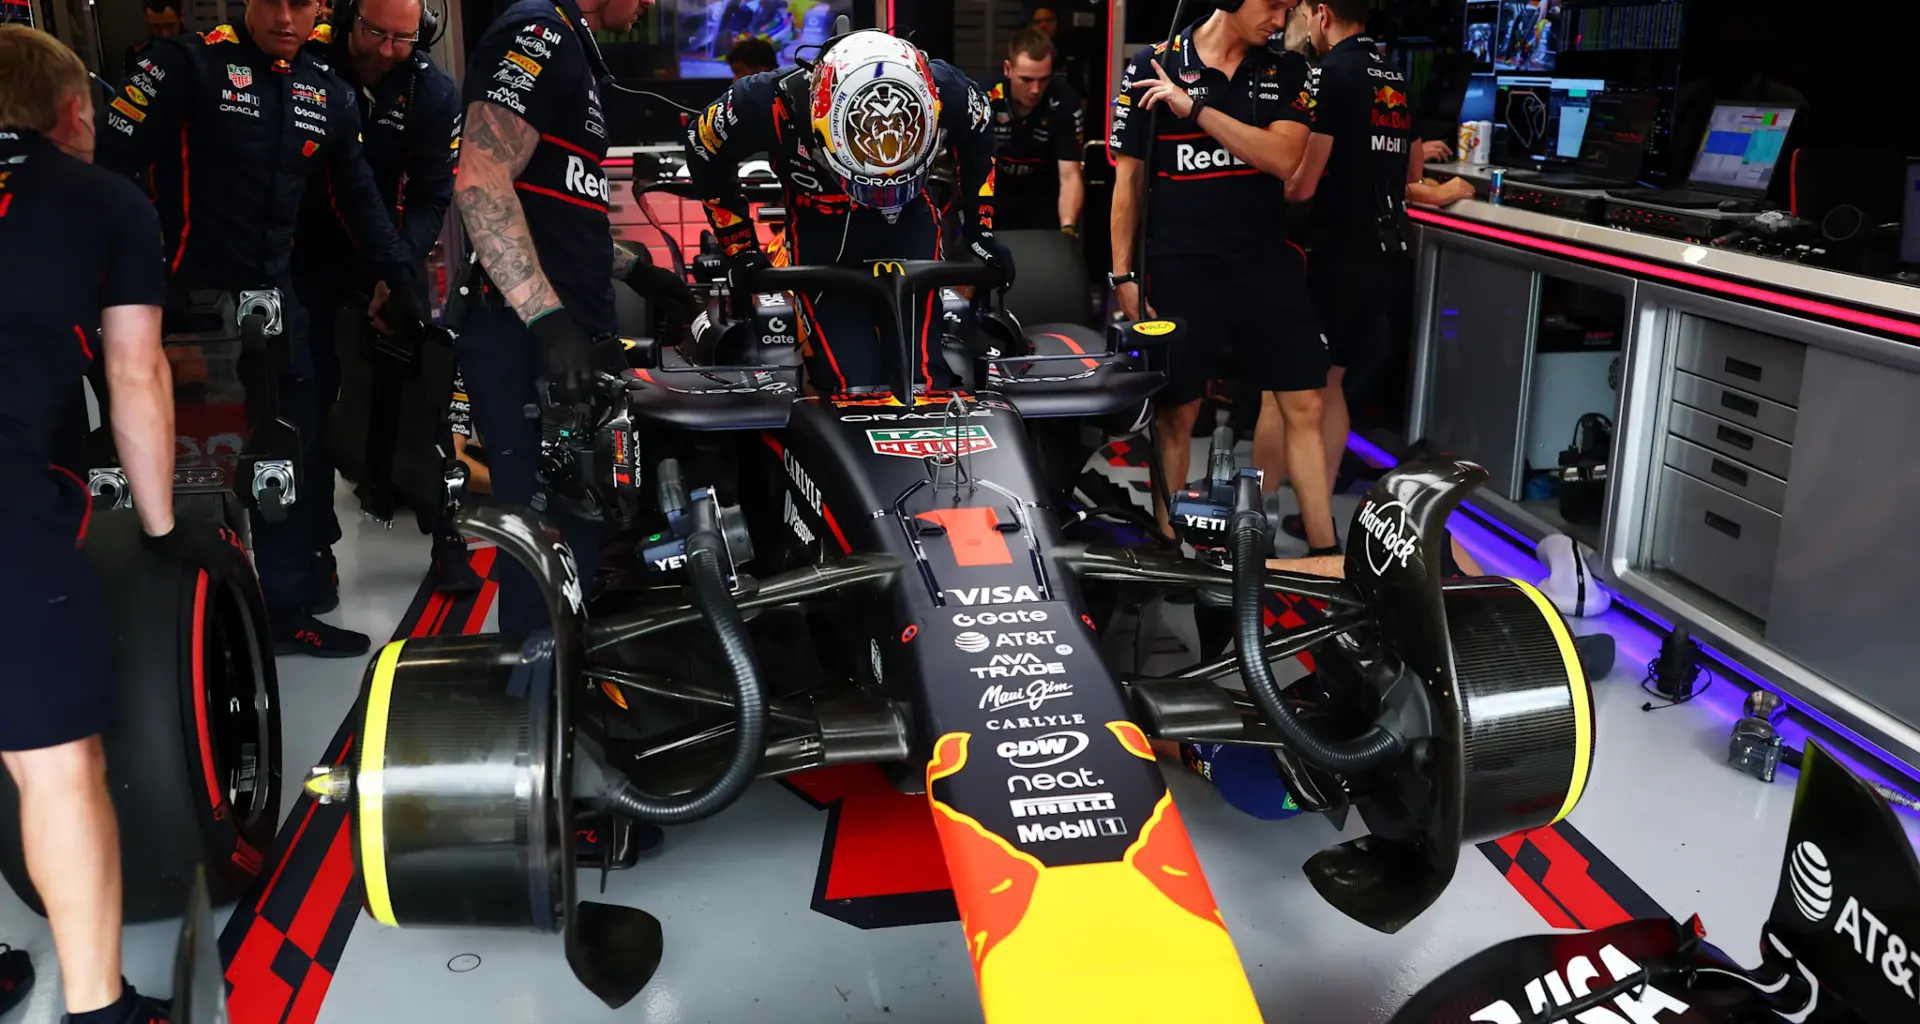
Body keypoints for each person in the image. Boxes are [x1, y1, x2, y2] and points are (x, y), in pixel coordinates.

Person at [0, 25, 229, 1023]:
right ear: (72, 112)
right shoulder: (102, 198)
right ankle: (101, 1010)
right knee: (54, 764)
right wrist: (163, 524)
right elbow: (135, 371)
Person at [98, 0, 428, 657]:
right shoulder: (184, 65)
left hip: (277, 306)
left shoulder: (325, 91)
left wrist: (401, 279)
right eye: (272, 0)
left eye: (300, 3)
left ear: (320, 8)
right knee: (192, 471)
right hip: (185, 308)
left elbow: (359, 198)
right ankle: (185, 631)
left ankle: (286, 613)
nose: (284, 16)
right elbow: (106, 167)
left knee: (290, 459)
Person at [454, 0, 699, 638]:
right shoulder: (537, 31)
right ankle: (535, 690)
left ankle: (566, 683)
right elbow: (480, 179)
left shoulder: (572, 47)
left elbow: (556, 211)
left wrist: (633, 269)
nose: (648, 5)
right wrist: (546, 320)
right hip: (528, 345)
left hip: (568, 337)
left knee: (581, 534)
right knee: (547, 540)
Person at [1109, 0, 1338, 555]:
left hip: (1264, 261)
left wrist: (1194, 109)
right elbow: (1129, 183)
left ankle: (1325, 552)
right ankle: (1170, 547)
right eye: (1271, 4)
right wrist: (1123, 277)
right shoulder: (1152, 64)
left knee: (1306, 403)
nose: (1281, 18)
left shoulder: (1290, 68)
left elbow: (1283, 158)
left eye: (1288, 6)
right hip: (1181, 264)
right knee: (1178, 412)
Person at [684, 29, 1009, 394]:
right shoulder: (766, 101)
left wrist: (980, 230)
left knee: (921, 379)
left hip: (908, 222)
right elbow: (702, 144)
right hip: (820, 232)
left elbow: (981, 130)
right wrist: (739, 246)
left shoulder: (946, 89)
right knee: (853, 384)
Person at [293, 0, 471, 599]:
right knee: (306, 400)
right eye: (375, 33)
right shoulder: (307, 65)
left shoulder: (432, 90)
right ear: (350, 16)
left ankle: (447, 537)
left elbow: (431, 194)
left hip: (394, 252)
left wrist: (395, 270)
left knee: (429, 388)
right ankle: (315, 552)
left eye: (403, 38)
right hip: (308, 255)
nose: (388, 50)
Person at [1280, 0, 1469, 542]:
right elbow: (1412, 172)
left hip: (1336, 252)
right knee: (1334, 382)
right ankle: (1313, 512)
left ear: (1322, 14)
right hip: (1386, 253)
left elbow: (1302, 185)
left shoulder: (1329, 75)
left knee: (1298, 388)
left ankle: (1293, 518)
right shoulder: (1396, 77)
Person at [988, 30, 1084, 234]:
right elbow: (967, 166)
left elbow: (1070, 176)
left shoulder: (1064, 101)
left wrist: (1067, 229)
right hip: (992, 194)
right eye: (1027, 79)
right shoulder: (984, 96)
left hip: (1044, 195)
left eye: (1043, 79)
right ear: (1008, 69)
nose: (1036, 89)